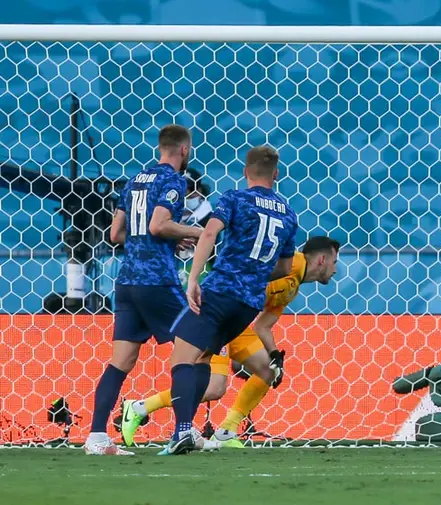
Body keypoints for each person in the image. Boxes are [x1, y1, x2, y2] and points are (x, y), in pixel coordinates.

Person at [120, 236, 340, 448]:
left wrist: (275, 355)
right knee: (214, 388)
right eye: (334, 261)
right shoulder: (290, 263)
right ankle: (140, 408)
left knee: (267, 371)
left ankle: (227, 431)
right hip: (221, 316)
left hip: (239, 325)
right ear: (322, 260)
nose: (336, 268)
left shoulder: (293, 286)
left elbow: (263, 326)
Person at [161, 145, 298, 455]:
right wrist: (255, 270)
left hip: (221, 290)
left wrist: (194, 278)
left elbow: (209, 234)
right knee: (204, 357)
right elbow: (285, 267)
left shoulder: (235, 198)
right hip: (248, 304)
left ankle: (182, 431)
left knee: (182, 358)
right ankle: (187, 433)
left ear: (245, 172)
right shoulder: (288, 212)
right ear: (276, 174)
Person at [83, 124, 202, 456]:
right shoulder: (174, 181)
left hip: (127, 282)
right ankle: (183, 430)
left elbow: (116, 233)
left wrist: (161, 239)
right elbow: (157, 225)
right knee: (194, 348)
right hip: (158, 281)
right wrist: (197, 232)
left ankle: (96, 437)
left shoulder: (135, 180)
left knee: (121, 360)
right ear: (183, 150)